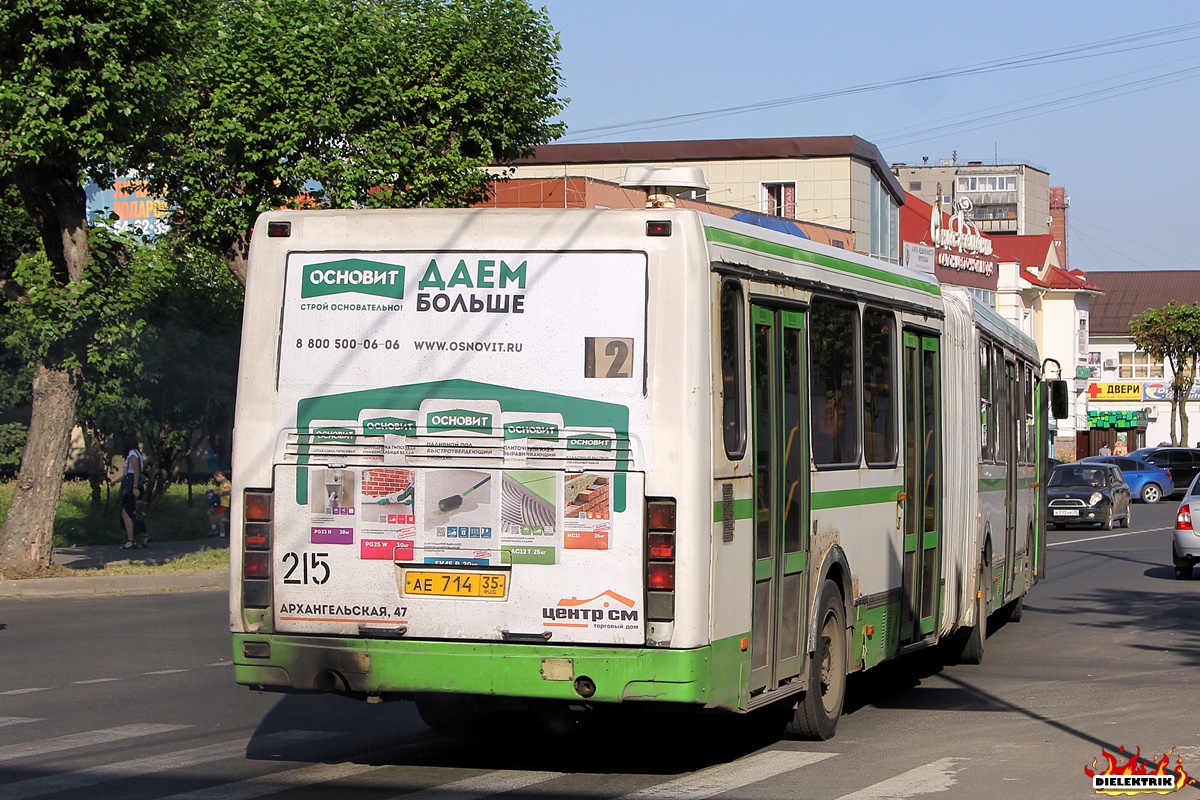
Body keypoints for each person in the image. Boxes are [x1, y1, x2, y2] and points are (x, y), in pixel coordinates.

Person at [119, 434, 145, 549]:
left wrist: (134, 487)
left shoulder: (132, 454)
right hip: (128, 483)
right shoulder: (135, 454)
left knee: (127, 513)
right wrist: (116, 481)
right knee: (132, 513)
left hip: (130, 486)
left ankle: (131, 539)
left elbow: (136, 472)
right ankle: (142, 535)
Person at [208, 469, 232, 537]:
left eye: (216, 478)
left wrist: (218, 491)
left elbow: (228, 488)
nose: (216, 480)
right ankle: (214, 527)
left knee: (219, 519)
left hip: (224, 503)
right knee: (209, 512)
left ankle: (222, 534)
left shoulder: (225, 482)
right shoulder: (222, 483)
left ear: (219, 476)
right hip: (219, 503)